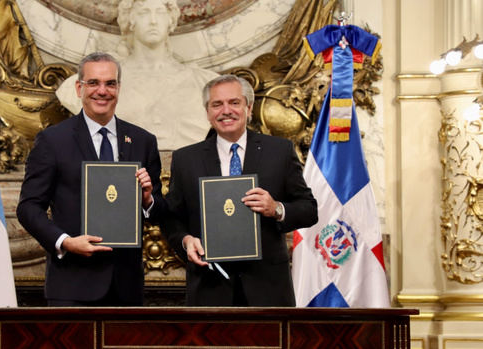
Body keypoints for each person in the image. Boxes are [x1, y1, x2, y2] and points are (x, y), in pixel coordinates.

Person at [17, 52, 165, 306]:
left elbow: (160, 211)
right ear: (79, 88)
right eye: (93, 83)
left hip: (126, 288)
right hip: (72, 287)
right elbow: (28, 207)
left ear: (118, 88)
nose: (102, 91)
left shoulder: (143, 141)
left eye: (110, 83)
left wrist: (148, 199)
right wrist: (65, 242)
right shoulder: (53, 141)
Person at [163, 74, 318, 306]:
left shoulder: (279, 151)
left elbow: (309, 209)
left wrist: (276, 208)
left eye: (234, 103)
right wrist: (185, 240)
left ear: (249, 107)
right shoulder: (186, 159)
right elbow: (171, 217)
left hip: (267, 289)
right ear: (208, 112)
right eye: (217, 104)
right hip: (209, 287)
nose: (226, 110)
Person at [56, 0, 218, 151]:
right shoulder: (93, 85)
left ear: (171, 20)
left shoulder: (203, 82)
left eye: (160, 12)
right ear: (130, 21)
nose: (153, 20)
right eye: (144, 13)